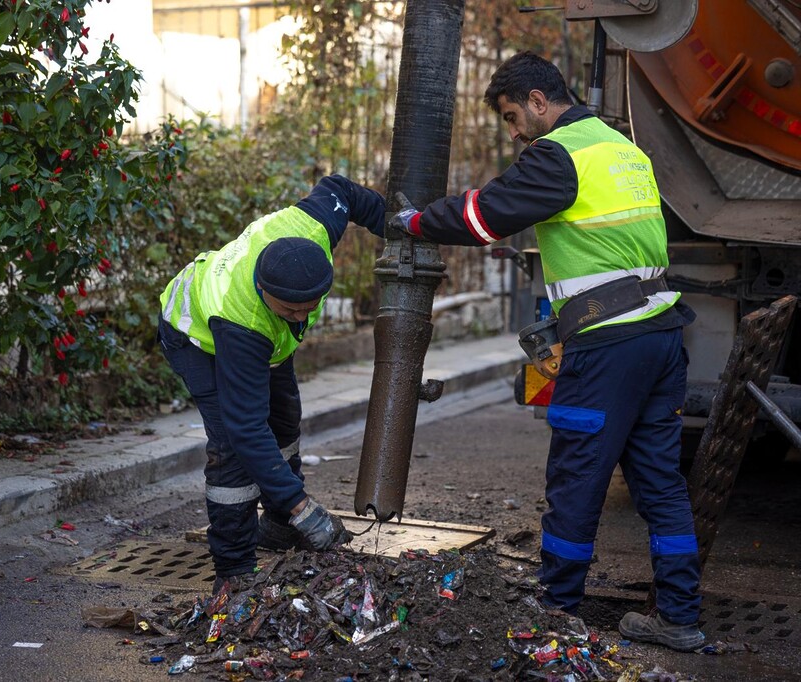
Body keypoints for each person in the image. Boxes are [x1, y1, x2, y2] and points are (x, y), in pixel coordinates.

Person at [389, 51, 705, 652]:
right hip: (663, 335)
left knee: (577, 480)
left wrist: (415, 223)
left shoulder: (559, 154)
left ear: (539, 101)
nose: (513, 132)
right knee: (661, 486)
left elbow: (486, 216)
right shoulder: (621, 148)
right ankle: (680, 617)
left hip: (608, 347)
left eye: (513, 116)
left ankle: (556, 610)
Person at [158, 175, 386, 593]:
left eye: (310, 307)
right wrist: (304, 508)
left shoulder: (313, 228)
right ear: (264, 290)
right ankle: (234, 568)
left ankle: (279, 528)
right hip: (195, 335)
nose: (301, 317)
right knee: (232, 445)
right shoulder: (242, 321)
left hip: (268, 341)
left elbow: (343, 190)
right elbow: (246, 427)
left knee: (284, 421)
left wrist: (401, 227)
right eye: (289, 308)